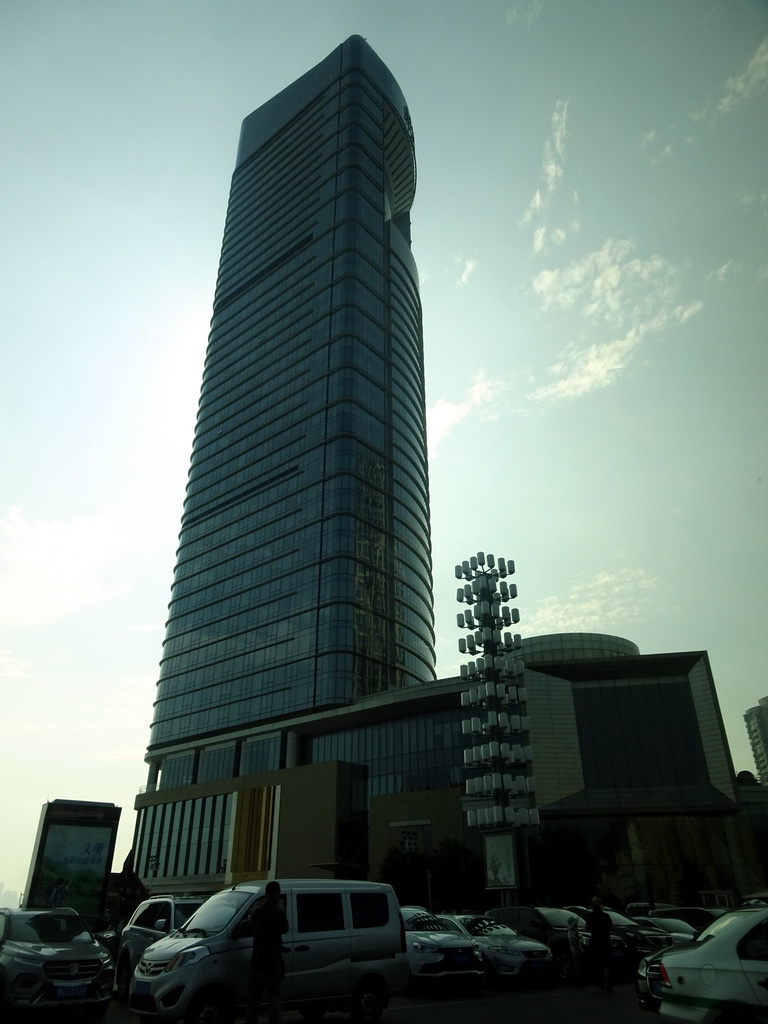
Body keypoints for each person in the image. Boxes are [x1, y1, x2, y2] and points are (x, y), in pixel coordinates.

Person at [246, 881, 289, 1024]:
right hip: (272, 962)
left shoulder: (255, 913)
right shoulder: (278, 913)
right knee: (274, 1002)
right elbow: (285, 928)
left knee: (253, 1003)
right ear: (275, 894)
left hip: (257, 961)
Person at [585, 896, 613, 991]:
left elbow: (587, 928)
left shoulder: (590, 916)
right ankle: (608, 984)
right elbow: (610, 926)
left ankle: (601, 983)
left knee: (598, 963)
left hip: (596, 942)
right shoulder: (606, 916)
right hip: (606, 942)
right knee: (607, 964)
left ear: (594, 905)